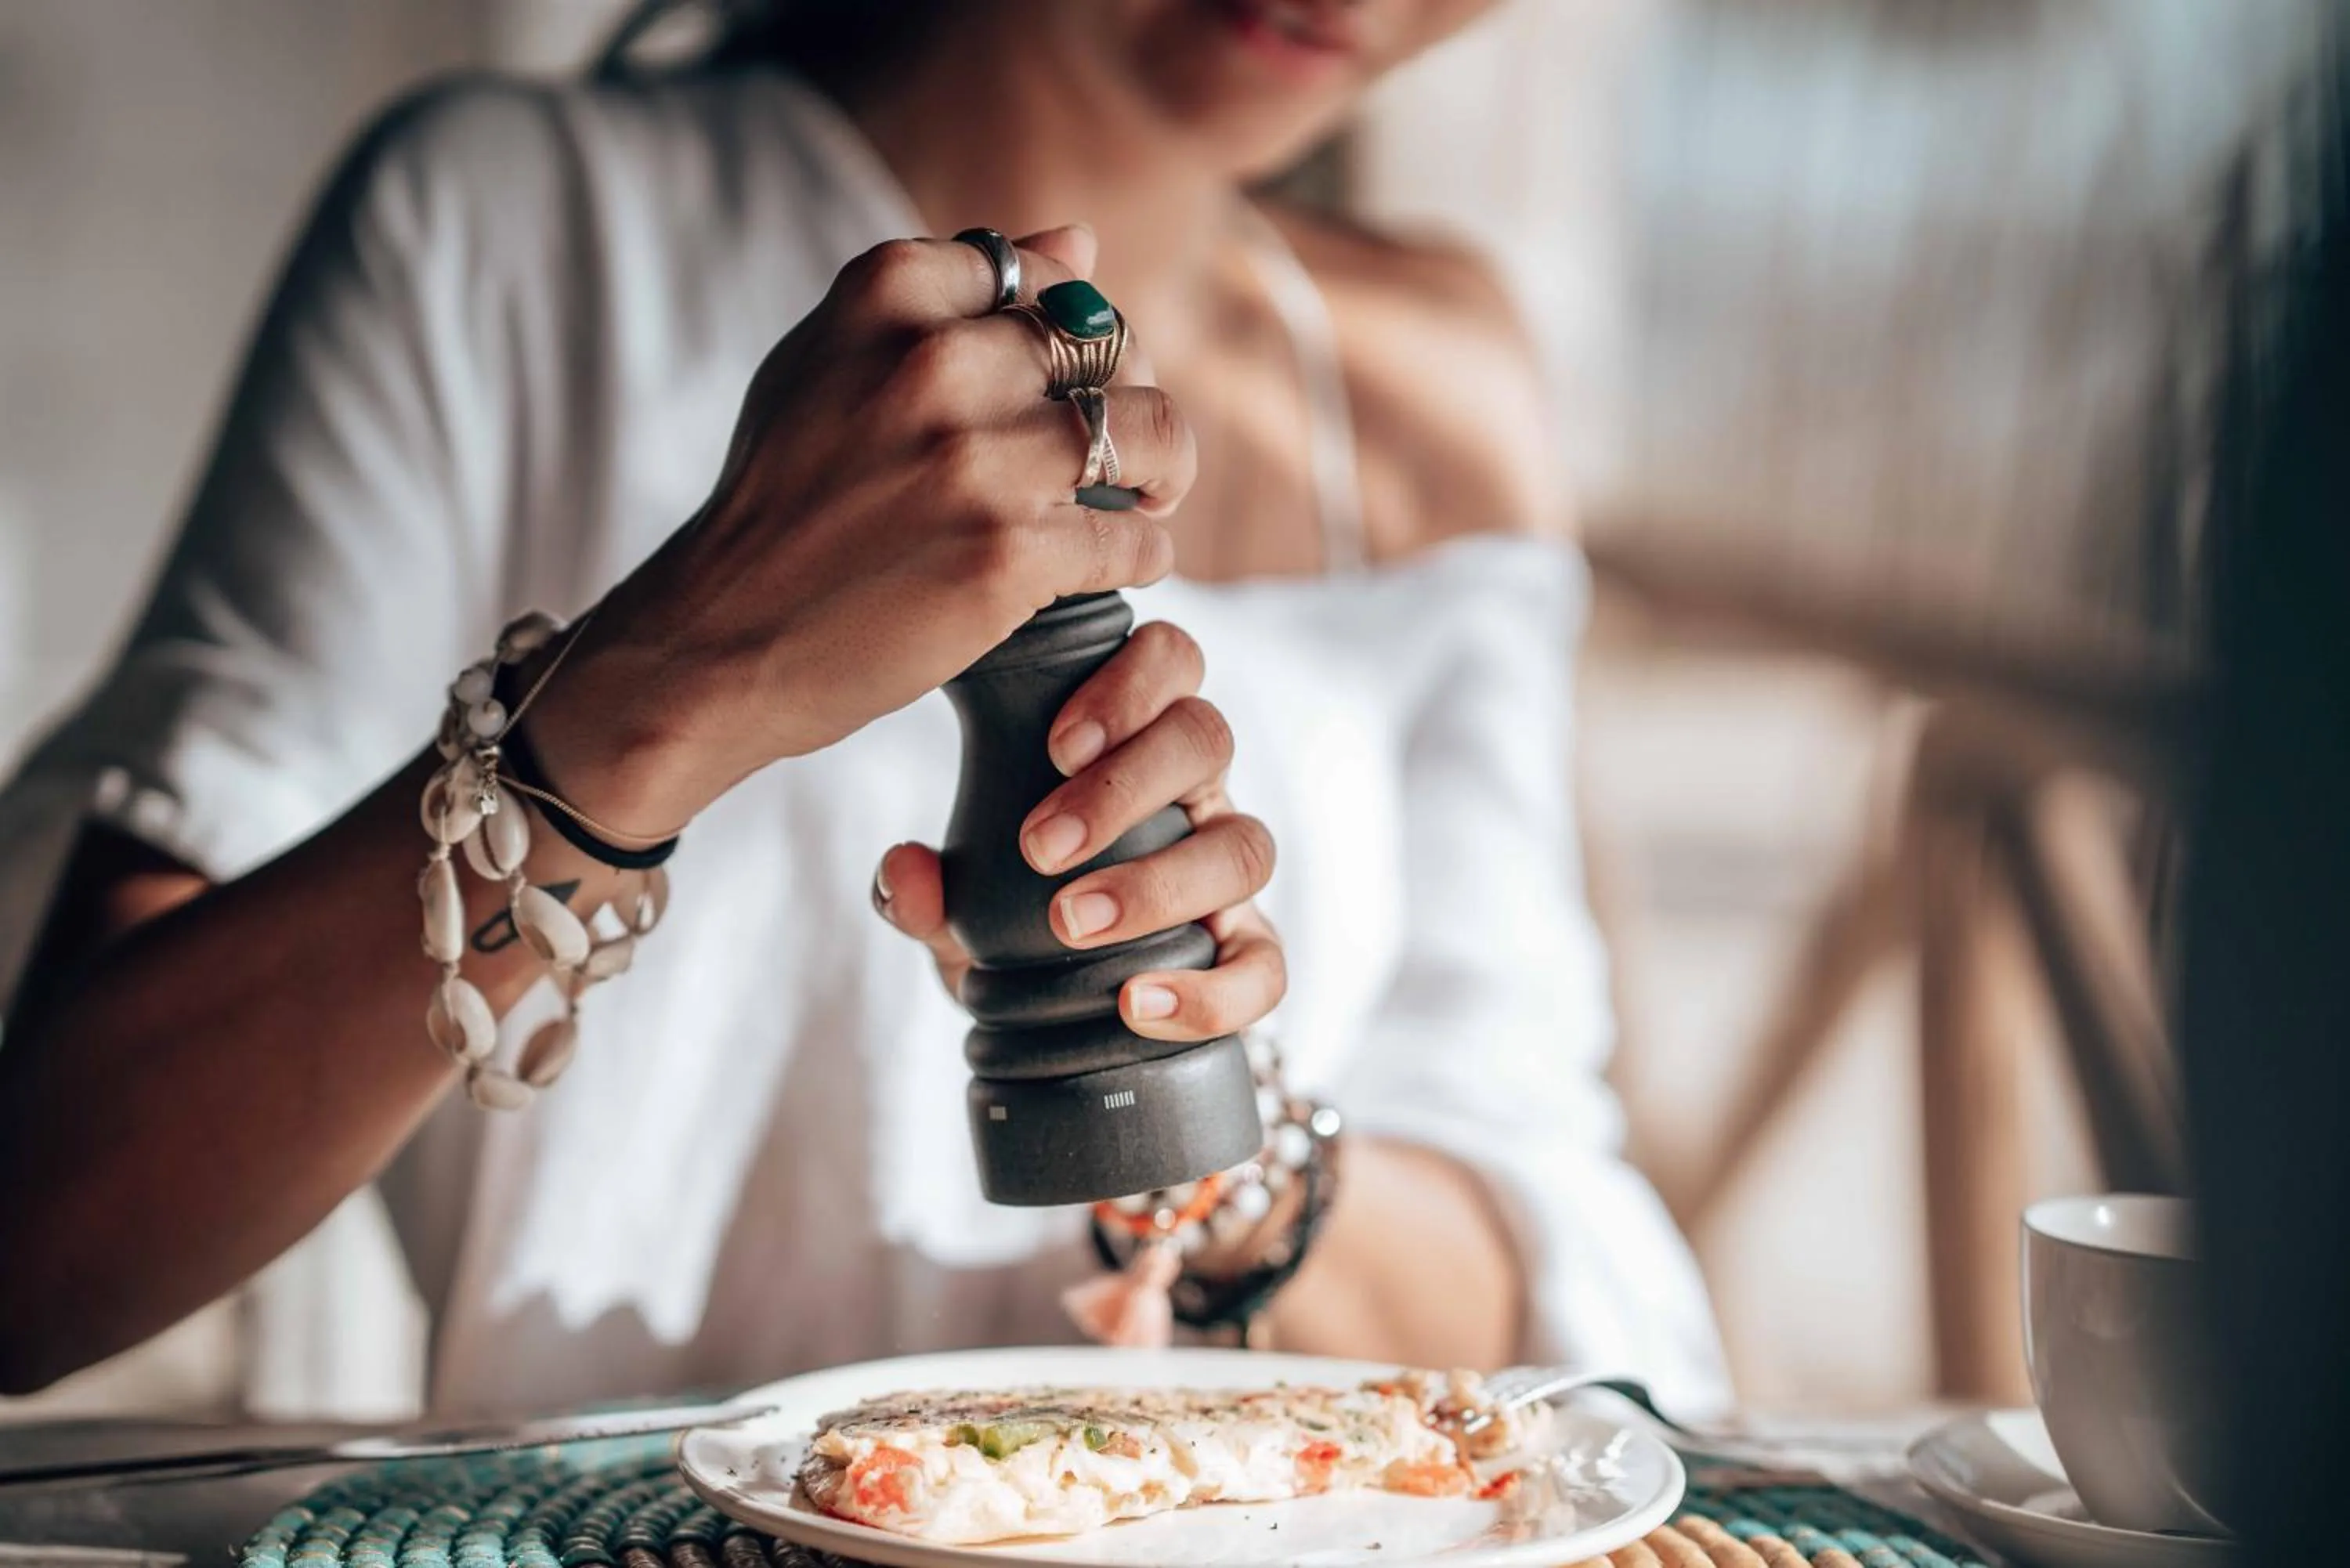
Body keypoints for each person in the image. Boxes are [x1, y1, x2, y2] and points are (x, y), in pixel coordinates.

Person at [0, 0, 1726, 1416]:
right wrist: (655, 696)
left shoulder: (1436, 379)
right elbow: (43, 1238)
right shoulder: (515, 230)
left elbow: (1538, 1281)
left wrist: (1198, 1138)